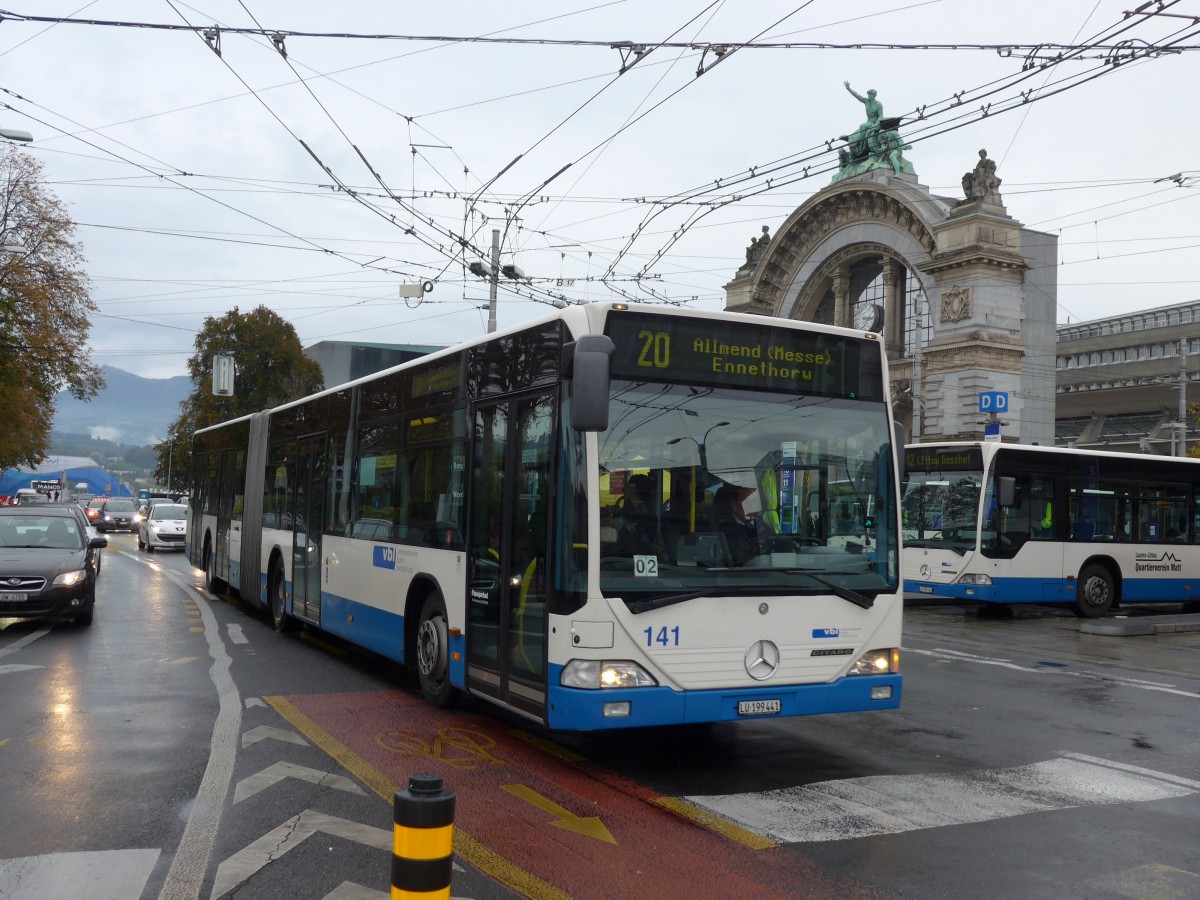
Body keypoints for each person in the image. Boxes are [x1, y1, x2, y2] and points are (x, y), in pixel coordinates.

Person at [713, 485, 759, 565]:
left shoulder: (763, 528)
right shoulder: (724, 531)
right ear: (734, 505)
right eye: (747, 502)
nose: (752, 507)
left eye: (754, 502)